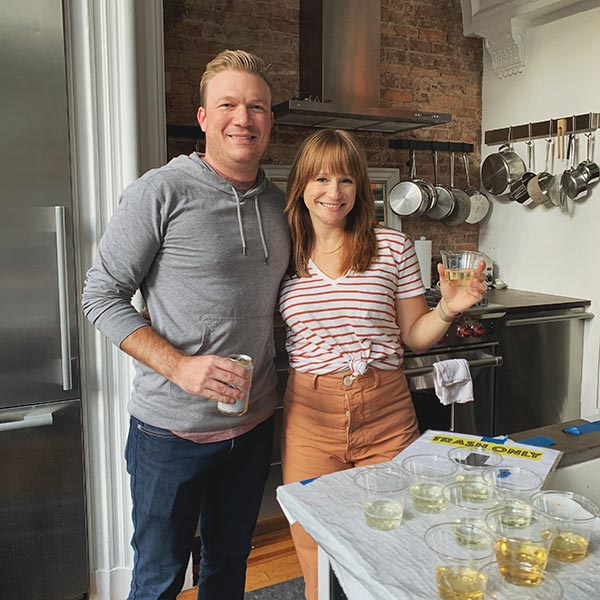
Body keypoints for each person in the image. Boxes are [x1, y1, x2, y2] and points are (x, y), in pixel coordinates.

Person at [82, 49, 290, 600]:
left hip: (253, 424)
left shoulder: (278, 202)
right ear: (203, 117)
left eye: (257, 107)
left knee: (228, 567)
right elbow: (99, 295)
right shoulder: (161, 191)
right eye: (228, 104)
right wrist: (179, 366)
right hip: (169, 433)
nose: (242, 118)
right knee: (159, 577)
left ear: (270, 120)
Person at [279, 129, 487, 599]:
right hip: (311, 419)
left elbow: (414, 337)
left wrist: (449, 309)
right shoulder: (282, 253)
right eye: (322, 178)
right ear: (301, 186)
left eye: (347, 180)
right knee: (313, 540)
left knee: (395, 537)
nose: (335, 193)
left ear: (362, 188)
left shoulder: (392, 246)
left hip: (386, 412)